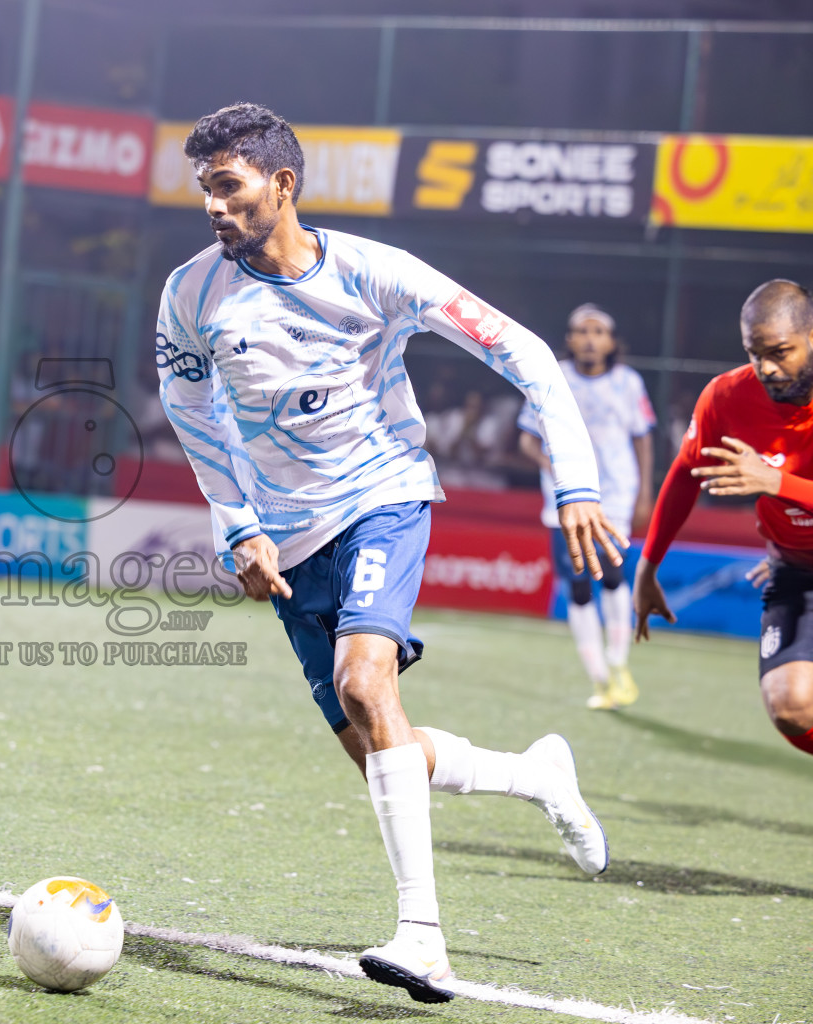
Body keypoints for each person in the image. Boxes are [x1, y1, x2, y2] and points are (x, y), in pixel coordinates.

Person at [157, 103, 621, 1004]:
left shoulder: (377, 274)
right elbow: (190, 414)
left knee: (369, 687)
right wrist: (238, 526)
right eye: (204, 189)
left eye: (229, 186)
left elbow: (525, 353)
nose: (212, 206)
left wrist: (575, 483)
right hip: (287, 541)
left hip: (383, 498)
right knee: (379, 749)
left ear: (281, 186)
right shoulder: (189, 295)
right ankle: (537, 776)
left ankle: (424, 941)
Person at [637, 280, 813, 838]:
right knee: (791, 707)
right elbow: (686, 474)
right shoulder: (726, 396)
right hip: (801, 572)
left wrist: (774, 481)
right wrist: (648, 566)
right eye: (754, 354)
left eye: (779, 352)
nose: (765, 367)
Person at [518, 304, 655, 710]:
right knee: (577, 584)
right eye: (582, 330)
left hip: (615, 494)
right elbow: (527, 437)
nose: (590, 338)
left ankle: (619, 664)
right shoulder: (552, 378)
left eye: (599, 331)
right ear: (570, 339)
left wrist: (646, 490)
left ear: (611, 342)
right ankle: (598, 678)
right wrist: (552, 463)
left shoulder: (628, 382)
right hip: (566, 498)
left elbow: (643, 437)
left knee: (612, 574)